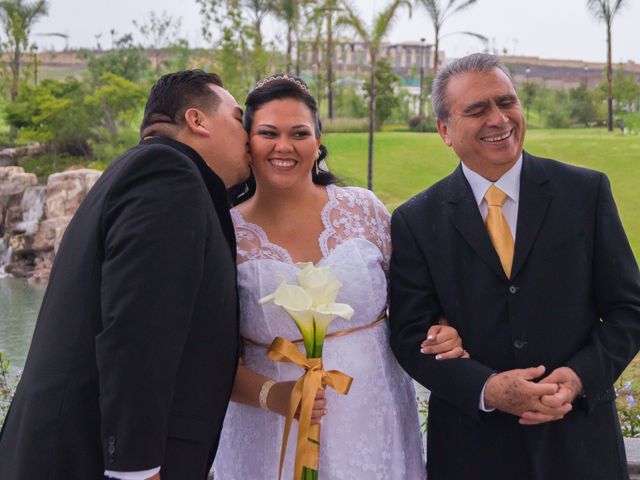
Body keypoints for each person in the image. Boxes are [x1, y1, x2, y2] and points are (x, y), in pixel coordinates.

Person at [389, 52, 640, 480]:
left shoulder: (586, 192)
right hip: (472, 452)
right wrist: (487, 389)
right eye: (477, 109)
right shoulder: (416, 219)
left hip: (579, 445)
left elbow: (628, 311)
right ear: (444, 130)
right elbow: (411, 334)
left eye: (507, 102)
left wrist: (578, 379)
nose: (499, 119)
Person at [213, 73, 466, 479]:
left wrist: (442, 326)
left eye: (299, 133)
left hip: (374, 416)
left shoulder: (363, 209)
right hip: (271, 429)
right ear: (248, 141)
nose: (284, 146)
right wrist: (274, 396)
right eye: (268, 133)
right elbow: (206, 359)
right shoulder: (225, 233)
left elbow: (418, 299)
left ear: (317, 142)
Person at [0, 70, 250, 480]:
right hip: (89, 462)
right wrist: (136, 469)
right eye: (238, 118)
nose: (248, 132)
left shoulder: (136, 171)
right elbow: (138, 331)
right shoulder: (168, 175)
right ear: (197, 120)